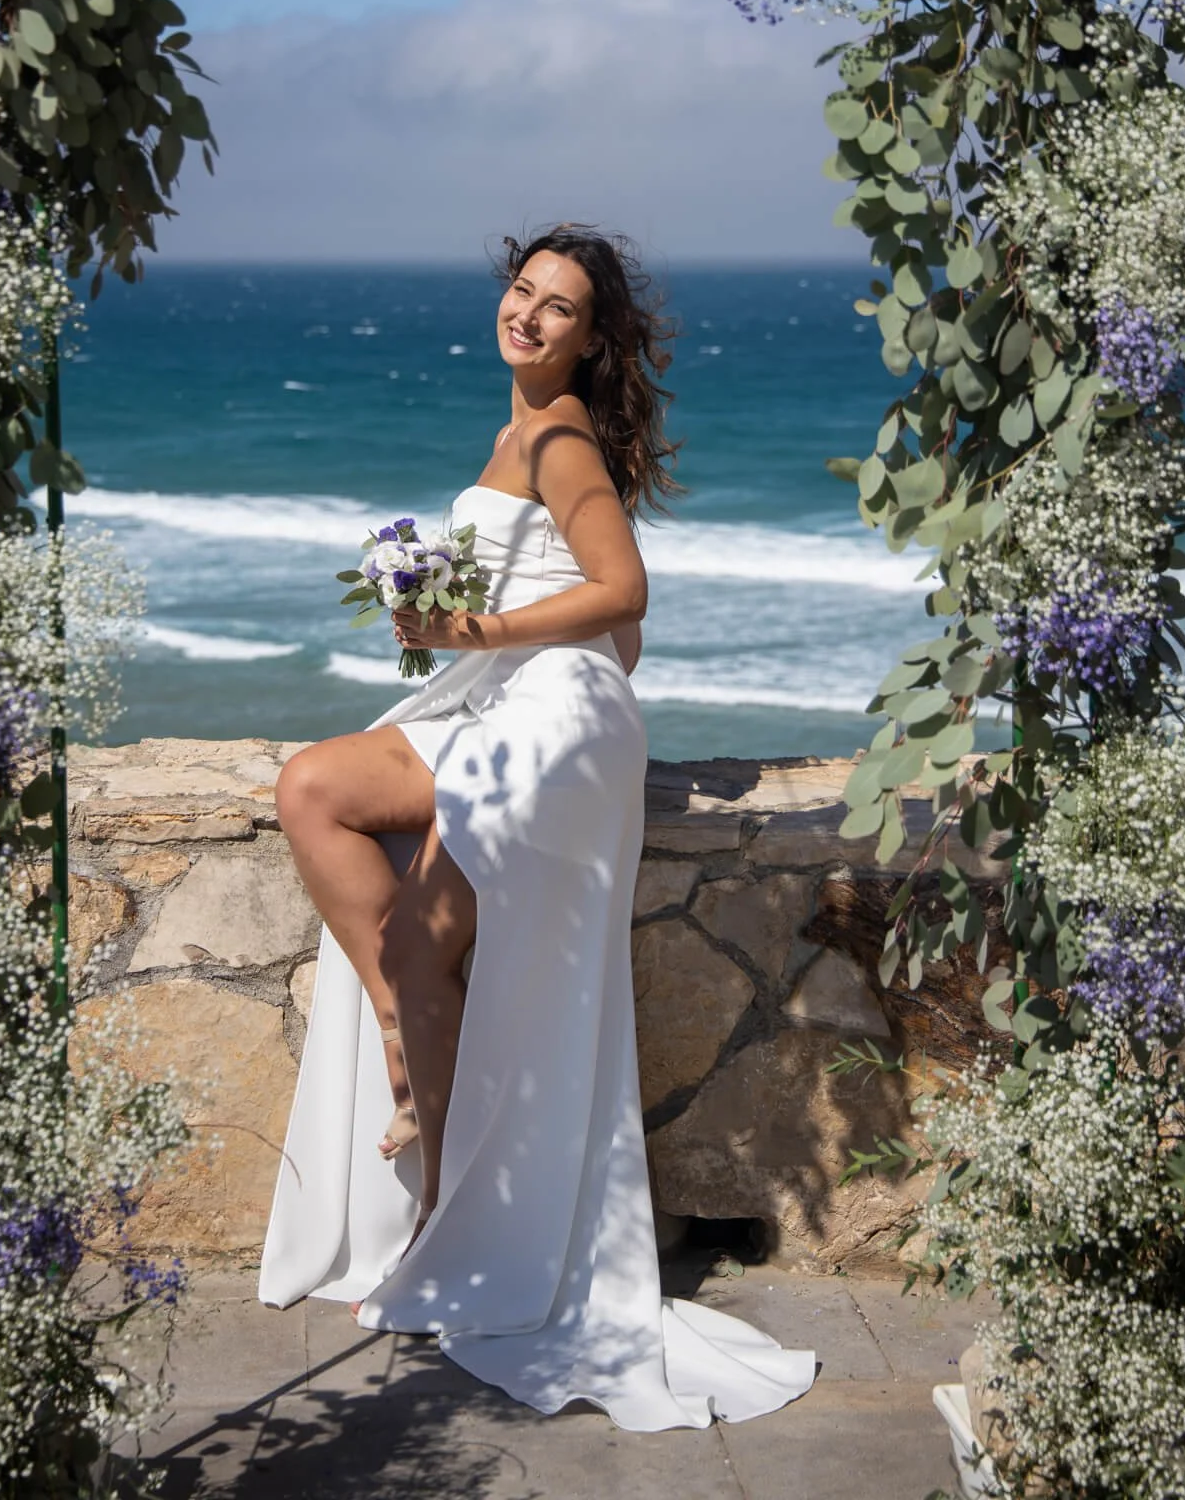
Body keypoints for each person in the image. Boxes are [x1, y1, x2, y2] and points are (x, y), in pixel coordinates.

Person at [258, 224, 816, 1431]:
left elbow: (622, 594)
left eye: (558, 306)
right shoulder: (521, 422)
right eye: (523, 290)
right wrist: (444, 622)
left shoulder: (559, 432)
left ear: (588, 336)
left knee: (424, 931)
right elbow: (595, 614)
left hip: (538, 707)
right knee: (311, 786)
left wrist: (482, 637)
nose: (529, 314)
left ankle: (440, 1215)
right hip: (496, 695)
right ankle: (413, 1047)